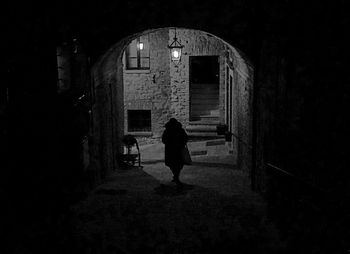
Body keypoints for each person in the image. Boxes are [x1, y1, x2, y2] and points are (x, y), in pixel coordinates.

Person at [162, 118, 189, 185]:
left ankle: (175, 176)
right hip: (178, 150)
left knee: (171, 164)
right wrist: (181, 143)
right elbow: (186, 138)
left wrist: (169, 143)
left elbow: (163, 140)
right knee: (178, 164)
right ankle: (176, 176)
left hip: (170, 150)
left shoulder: (167, 130)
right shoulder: (180, 130)